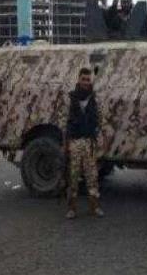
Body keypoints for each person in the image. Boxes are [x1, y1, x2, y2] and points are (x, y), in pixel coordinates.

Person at [64, 68, 104, 219]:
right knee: (73, 177)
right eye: (84, 79)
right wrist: (65, 143)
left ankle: (94, 207)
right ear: (78, 80)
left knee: (92, 176)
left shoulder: (94, 98)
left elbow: (100, 120)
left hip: (89, 143)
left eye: (88, 80)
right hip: (75, 142)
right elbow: (64, 121)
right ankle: (71, 208)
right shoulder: (71, 98)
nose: (86, 82)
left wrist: (100, 139)